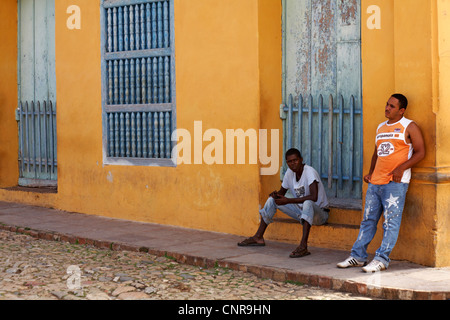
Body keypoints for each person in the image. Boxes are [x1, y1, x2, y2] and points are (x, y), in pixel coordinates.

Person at [337, 94, 425, 272]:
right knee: (368, 220)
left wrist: (401, 168)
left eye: (392, 106)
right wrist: (370, 173)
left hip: (395, 183)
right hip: (375, 183)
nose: (387, 108)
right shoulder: (380, 127)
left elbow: (420, 152)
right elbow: (377, 154)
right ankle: (358, 256)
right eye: (387, 104)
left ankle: (382, 259)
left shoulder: (409, 126)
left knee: (390, 222)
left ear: (401, 110)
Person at [237, 148, 329, 258]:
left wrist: (288, 200)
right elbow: (282, 193)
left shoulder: (309, 172)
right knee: (273, 200)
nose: (293, 163)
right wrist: (275, 195)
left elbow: (314, 197)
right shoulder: (289, 173)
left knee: (308, 202)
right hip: (302, 213)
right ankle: (258, 237)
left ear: (301, 160)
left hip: (320, 215)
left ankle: (303, 246)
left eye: (295, 160)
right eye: (289, 161)